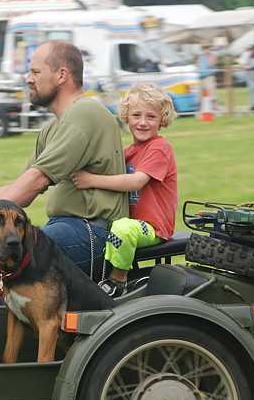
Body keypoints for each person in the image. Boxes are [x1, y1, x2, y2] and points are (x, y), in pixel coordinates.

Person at [0, 40, 128, 284]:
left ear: (61, 75)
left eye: (35, 72)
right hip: (65, 226)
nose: (28, 79)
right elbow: (18, 189)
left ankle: (2, 322)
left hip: (91, 232)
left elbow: (35, 182)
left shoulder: (86, 112)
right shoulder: (52, 128)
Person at [70, 83, 178, 297]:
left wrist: (91, 180)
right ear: (126, 117)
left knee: (122, 229)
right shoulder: (129, 151)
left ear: (162, 120)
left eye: (151, 117)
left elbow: (135, 182)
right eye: (136, 115)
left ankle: (118, 281)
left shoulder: (160, 148)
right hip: (133, 221)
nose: (143, 122)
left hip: (153, 226)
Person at [198, 43, 218, 108]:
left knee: (212, 92)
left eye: (207, 48)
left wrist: (211, 58)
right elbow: (199, 66)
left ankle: (215, 107)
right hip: (201, 77)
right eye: (204, 48)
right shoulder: (201, 57)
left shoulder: (212, 56)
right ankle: (200, 109)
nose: (206, 50)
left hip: (209, 76)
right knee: (200, 94)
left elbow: (212, 64)